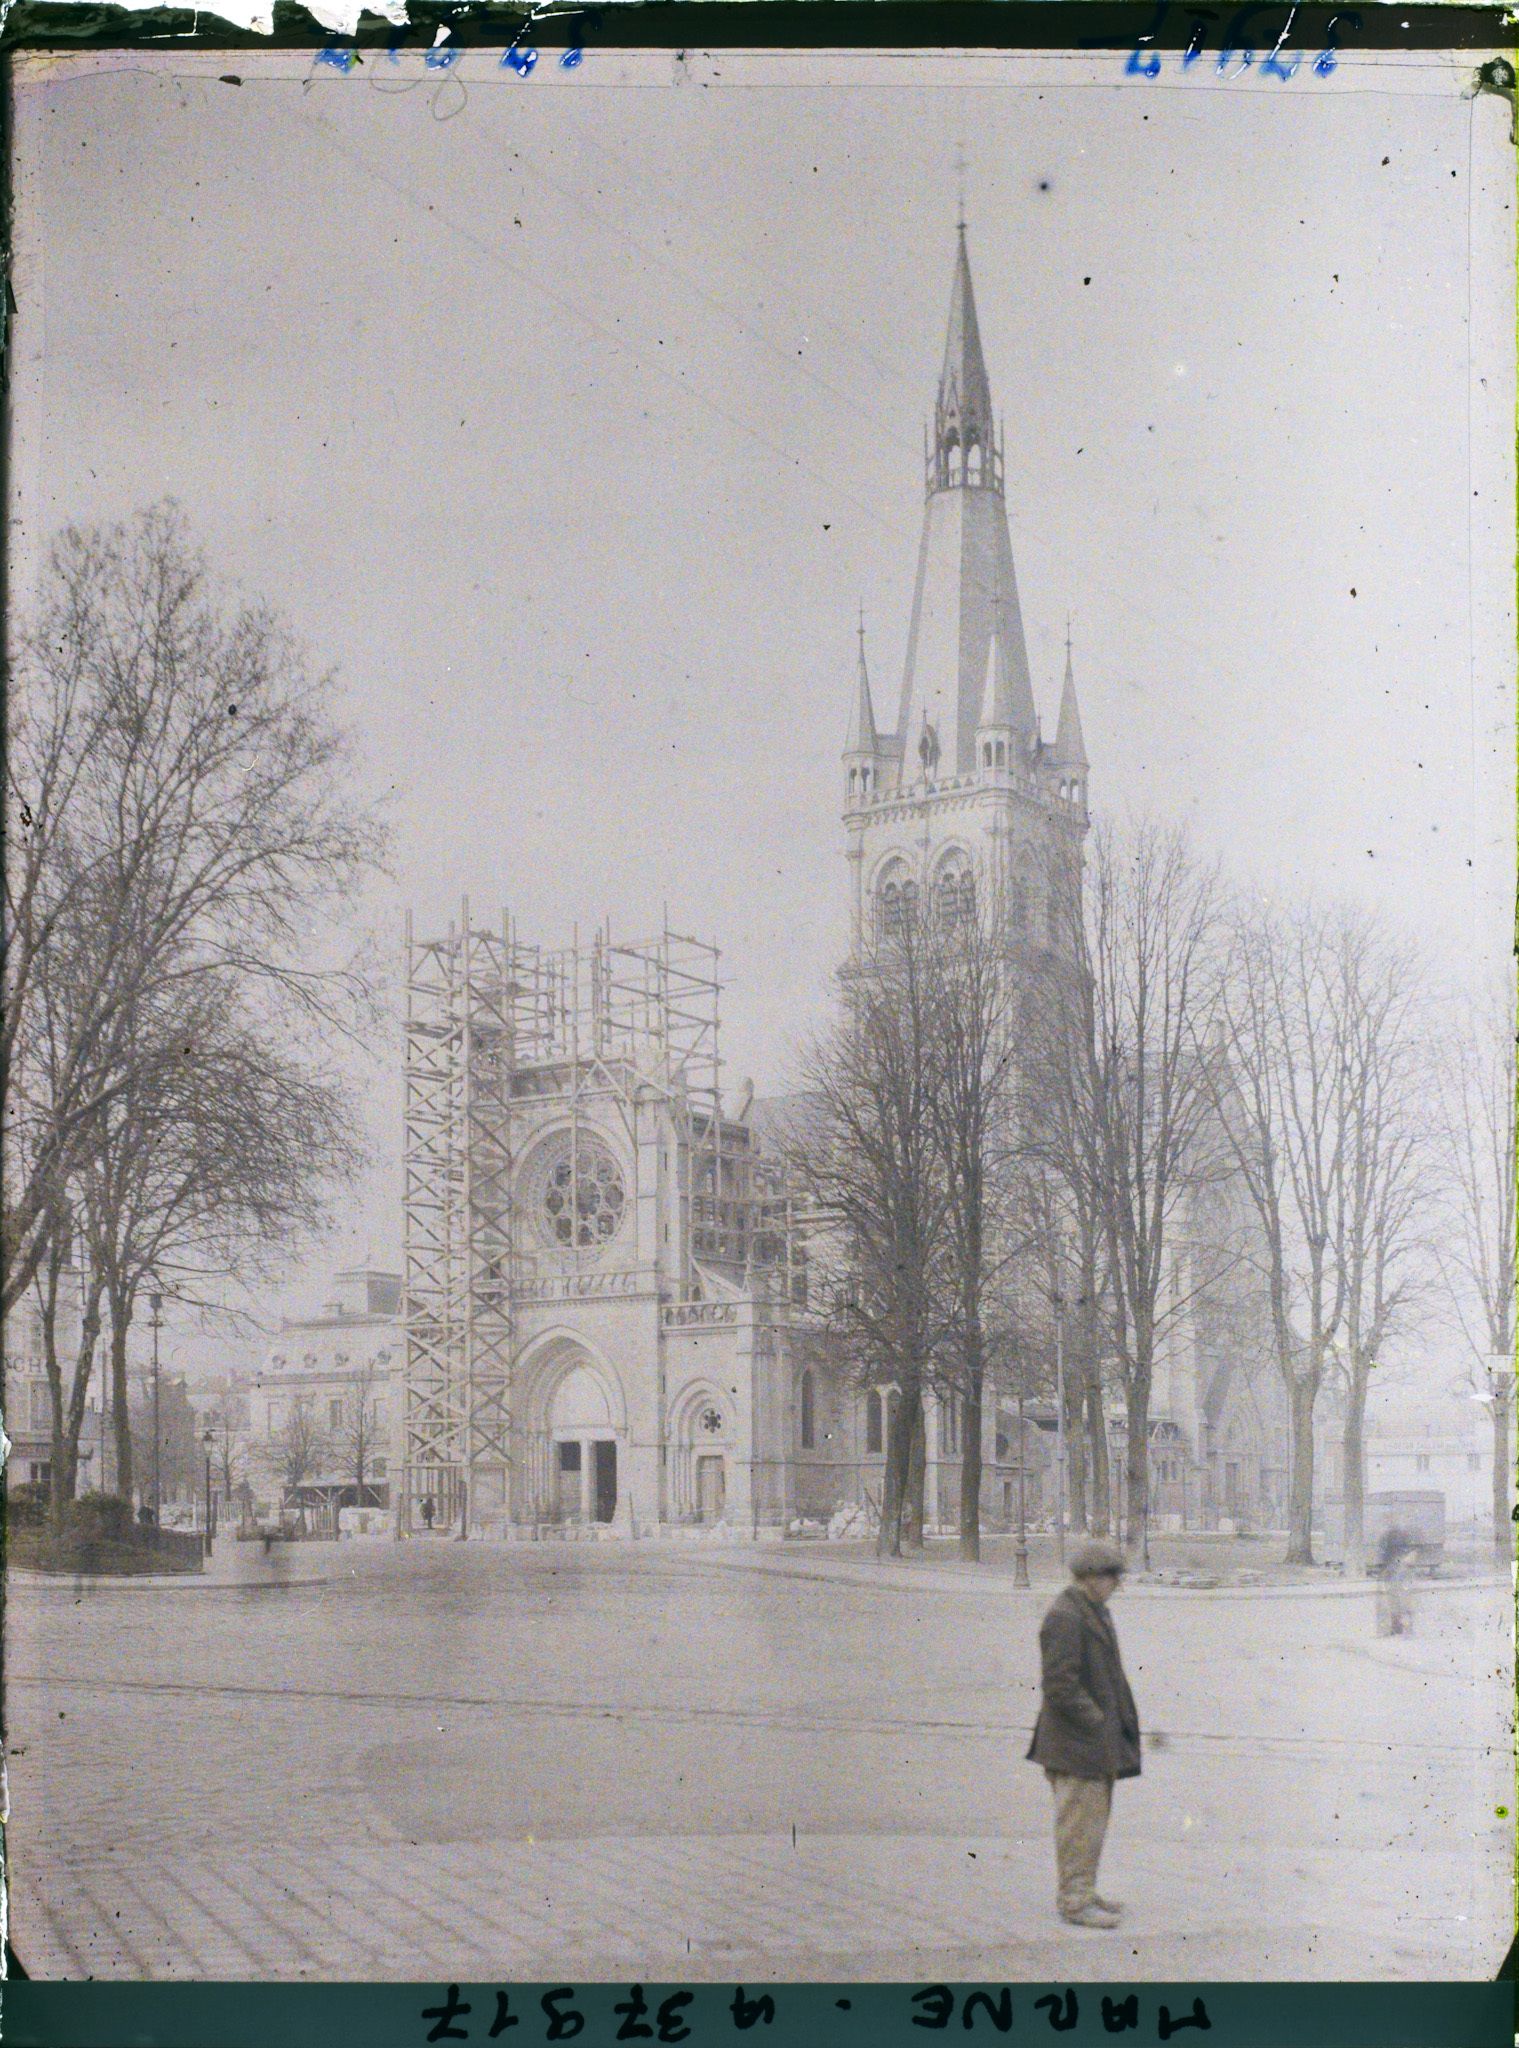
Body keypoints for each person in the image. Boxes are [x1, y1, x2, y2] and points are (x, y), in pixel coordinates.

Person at [1027, 1537, 1142, 1929]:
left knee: (1090, 1824)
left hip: (1092, 1743)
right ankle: (1074, 1901)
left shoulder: (1091, 1610)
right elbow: (1059, 1684)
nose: (1117, 1586)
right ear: (1092, 1577)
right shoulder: (1066, 1615)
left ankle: (1084, 1890)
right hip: (1075, 1744)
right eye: (1113, 1578)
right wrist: (1096, 1721)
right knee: (1078, 1825)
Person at [1375, 1525, 1415, 1637]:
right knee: (1395, 1599)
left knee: (1395, 1599)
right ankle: (1398, 1625)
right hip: (1394, 1571)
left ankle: (1398, 1626)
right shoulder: (1393, 1535)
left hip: (1395, 1571)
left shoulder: (1394, 1535)